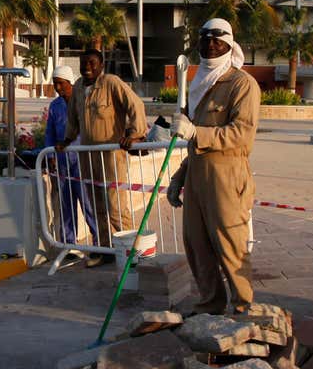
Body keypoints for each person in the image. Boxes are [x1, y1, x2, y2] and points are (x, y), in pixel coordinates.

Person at [166, 18, 260, 315]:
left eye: (217, 39)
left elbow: (241, 134)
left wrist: (196, 132)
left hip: (227, 176)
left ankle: (243, 307)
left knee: (230, 245)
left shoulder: (242, 84)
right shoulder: (198, 83)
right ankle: (211, 304)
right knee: (197, 244)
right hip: (196, 173)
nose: (209, 44)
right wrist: (179, 178)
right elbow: (194, 146)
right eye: (204, 38)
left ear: (229, 44)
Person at [59, 48, 147, 263]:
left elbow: (136, 104)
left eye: (91, 63)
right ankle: (106, 250)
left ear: (101, 65)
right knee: (96, 205)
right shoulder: (79, 87)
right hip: (88, 156)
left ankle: (128, 251)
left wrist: (135, 134)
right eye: (83, 63)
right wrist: (68, 139)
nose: (87, 67)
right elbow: (72, 118)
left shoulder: (111, 82)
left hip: (111, 156)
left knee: (115, 206)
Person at [44, 65, 98, 246]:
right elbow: (49, 133)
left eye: (61, 84)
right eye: (55, 84)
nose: (58, 88)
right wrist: (50, 156)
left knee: (88, 204)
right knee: (66, 205)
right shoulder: (54, 106)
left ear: (70, 83)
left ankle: (100, 242)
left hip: (83, 161)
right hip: (62, 163)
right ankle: (69, 244)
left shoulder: (84, 101)